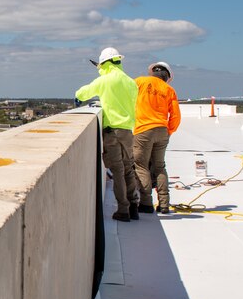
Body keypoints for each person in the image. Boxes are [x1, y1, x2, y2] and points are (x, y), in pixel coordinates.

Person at [75, 47, 142, 222]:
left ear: (104, 63)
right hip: (128, 131)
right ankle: (134, 205)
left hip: (112, 132)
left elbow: (83, 93)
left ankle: (123, 210)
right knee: (129, 168)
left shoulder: (105, 80)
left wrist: (78, 97)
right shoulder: (131, 82)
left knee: (118, 171)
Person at [133, 61, 181, 214]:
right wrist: (169, 131)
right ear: (166, 76)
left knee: (141, 166)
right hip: (162, 131)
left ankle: (146, 204)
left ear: (152, 71)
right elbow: (175, 116)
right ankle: (164, 204)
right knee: (160, 167)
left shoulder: (140, 82)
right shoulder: (169, 90)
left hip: (143, 130)